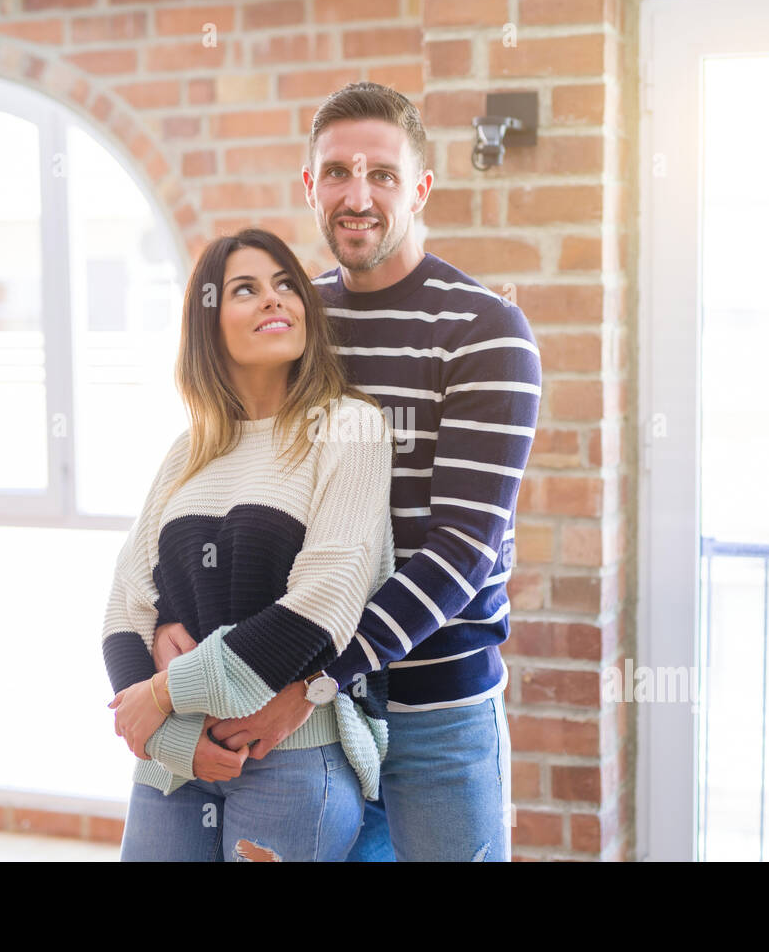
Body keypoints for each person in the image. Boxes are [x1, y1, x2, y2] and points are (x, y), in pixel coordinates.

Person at [199, 82, 543, 862]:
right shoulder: (295, 328)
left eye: (382, 174)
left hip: (433, 716)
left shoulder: (487, 332)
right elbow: (240, 492)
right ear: (310, 187)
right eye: (337, 173)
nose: (358, 195)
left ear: (420, 189)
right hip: (310, 729)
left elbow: (461, 552)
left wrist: (307, 683)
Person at [101, 227, 396, 862]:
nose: (274, 299)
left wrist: (163, 692)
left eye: (286, 285)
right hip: (175, 763)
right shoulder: (189, 451)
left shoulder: (349, 427)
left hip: (293, 757)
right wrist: (171, 740)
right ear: (209, 324)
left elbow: (324, 606)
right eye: (245, 289)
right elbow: (126, 607)